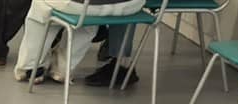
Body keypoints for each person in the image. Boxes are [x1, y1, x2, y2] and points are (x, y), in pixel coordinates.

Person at [13, 0, 145, 83]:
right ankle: (63, 69)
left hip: (83, 5)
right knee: (89, 19)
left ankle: (31, 67)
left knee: (40, 7)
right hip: (131, 5)